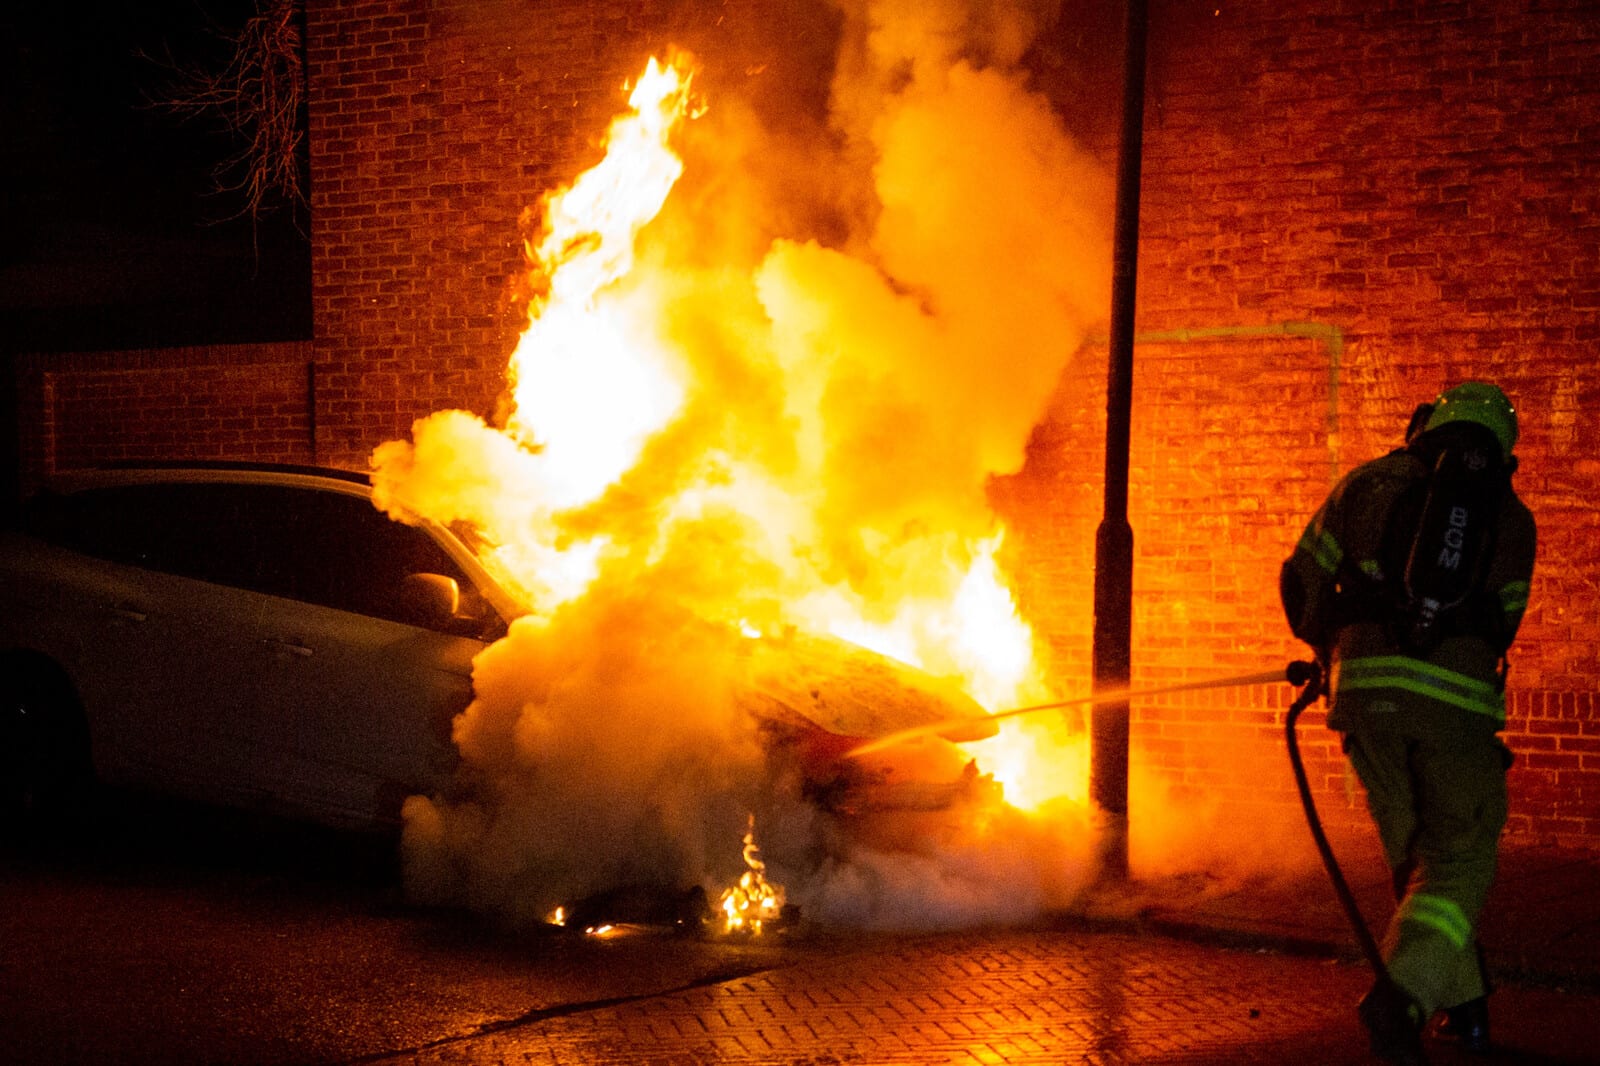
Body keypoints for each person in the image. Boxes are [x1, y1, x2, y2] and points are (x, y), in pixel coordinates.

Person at [1279, 381, 1536, 1064]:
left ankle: (1467, 1006)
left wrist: (1325, 645)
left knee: (1416, 862)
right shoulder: (1511, 519)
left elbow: (1300, 579)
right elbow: (1504, 621)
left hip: (1365, 701)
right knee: (1457, 861)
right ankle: (1402, 998)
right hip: (1454, 712)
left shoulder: (1364, 485)